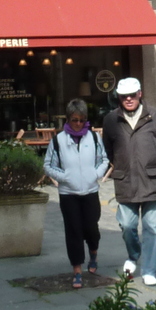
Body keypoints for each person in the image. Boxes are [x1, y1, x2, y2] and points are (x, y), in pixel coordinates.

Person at [100, 76, 156, 287]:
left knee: (152, 227)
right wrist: (122, 165)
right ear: (119, 98)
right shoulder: (110, 120)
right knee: (126, 225)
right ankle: (134, 254)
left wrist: (154, 163)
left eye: (133, 95)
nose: (129, 99)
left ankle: (149, 270)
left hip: (152, 180)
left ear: (140, 94)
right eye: (124, 96)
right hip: (125, 180)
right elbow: (108, 149)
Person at [44, 99, 110, 289]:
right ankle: (77, 270)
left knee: (91, 228)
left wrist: (96, 174)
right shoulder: (58, 140)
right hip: (68, 193)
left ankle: (94, 253)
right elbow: (48, 165)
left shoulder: (94, 138)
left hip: (90, 191)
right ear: (68, 119)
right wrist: (64, 177)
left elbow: (104, 159)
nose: (79, 124)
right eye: (75, 120)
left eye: (82, 120)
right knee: (73, 231)